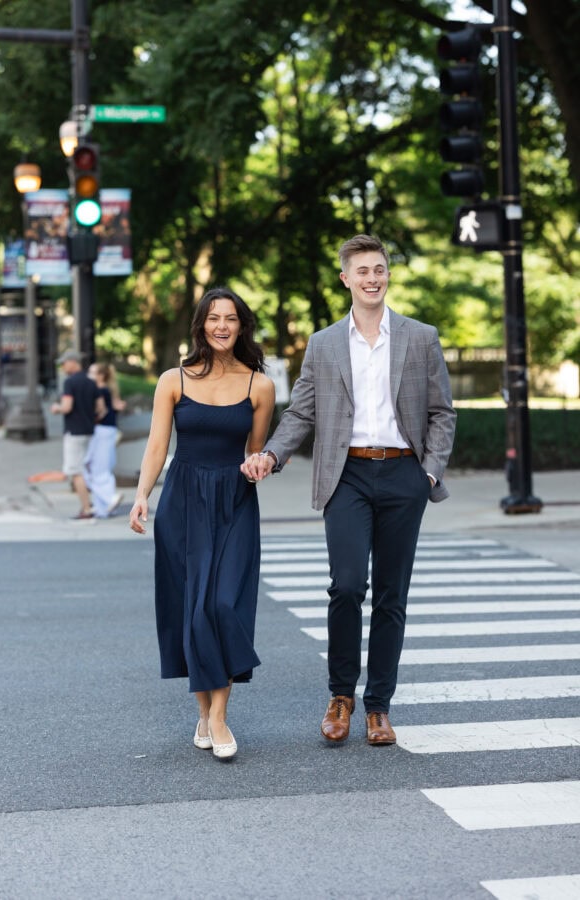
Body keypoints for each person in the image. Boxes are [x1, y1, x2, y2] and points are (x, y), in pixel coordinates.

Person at [241, 234, 456, 747]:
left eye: (379, 269)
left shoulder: (420, 337)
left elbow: (442, 412)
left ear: (387, 274)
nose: (372, 278)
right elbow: (302, 412)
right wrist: (272, 454)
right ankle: (341, 695)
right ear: (346, 279)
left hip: (404, 472)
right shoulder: (324, 343)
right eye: (362, 271)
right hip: (347, 477)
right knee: (346, 586)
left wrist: (427, 472)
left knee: (390, 594)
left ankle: (378, 706)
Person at [129, 287, 275, 760]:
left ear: (241, 326)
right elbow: (157, 446)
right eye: (213, 318)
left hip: (234, 500)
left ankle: (218, 715)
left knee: (224, 604)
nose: (222, 326)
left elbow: (255, 451)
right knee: (192, 609)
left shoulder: (260, 385)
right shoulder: (173, 380)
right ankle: (208, 713)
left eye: (230, 318)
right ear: (200, 325)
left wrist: (261, 465)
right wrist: (140, 497)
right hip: (183, 501)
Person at [51, 349, 105, 520]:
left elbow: (67, 406)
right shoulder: (91, 383)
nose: (63, 366)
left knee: (76, 471)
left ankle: (87, 508)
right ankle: (99, 503)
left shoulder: (69, 382)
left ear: (73, 362)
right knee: (88, 469)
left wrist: (56, 408)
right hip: (90, 431)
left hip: (74, 432)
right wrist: (91, 419)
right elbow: (101, 409)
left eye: (64, 363)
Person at [83, 363, 125, 518]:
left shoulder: (99, 390)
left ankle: (109, 499)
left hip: (102, 430)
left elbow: (101, 410)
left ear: (100, 375)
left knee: (93, 468)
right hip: (108, 430)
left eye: (92, 372)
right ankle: (104, 508)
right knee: (102, 469)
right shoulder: (107, 389)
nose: (89, 375)